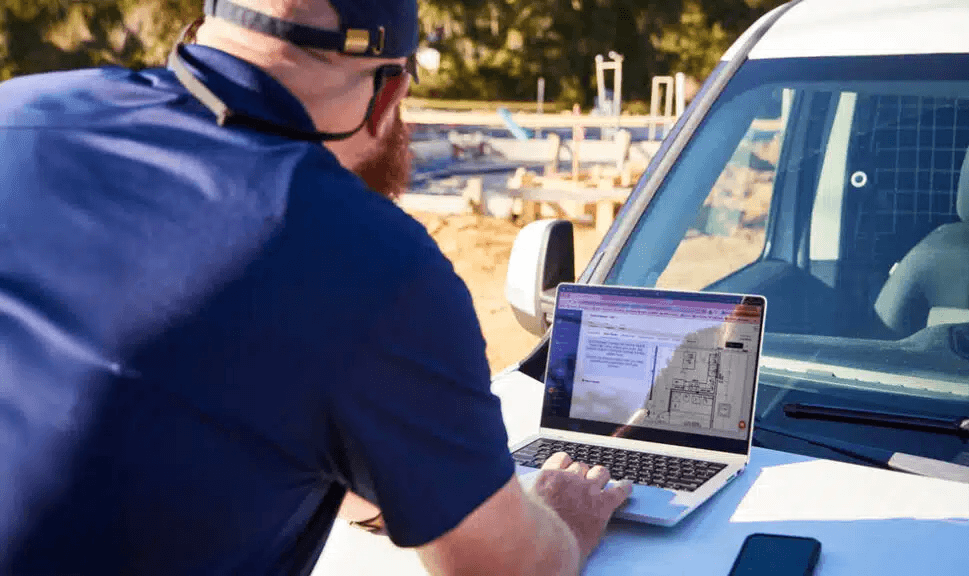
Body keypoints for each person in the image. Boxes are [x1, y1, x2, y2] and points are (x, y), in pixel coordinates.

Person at [0, 0, 632, 574]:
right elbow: (506, 567)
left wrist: (370, 464)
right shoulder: (375, 261)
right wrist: (565, 519)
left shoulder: (18, 112)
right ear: (389, 97)